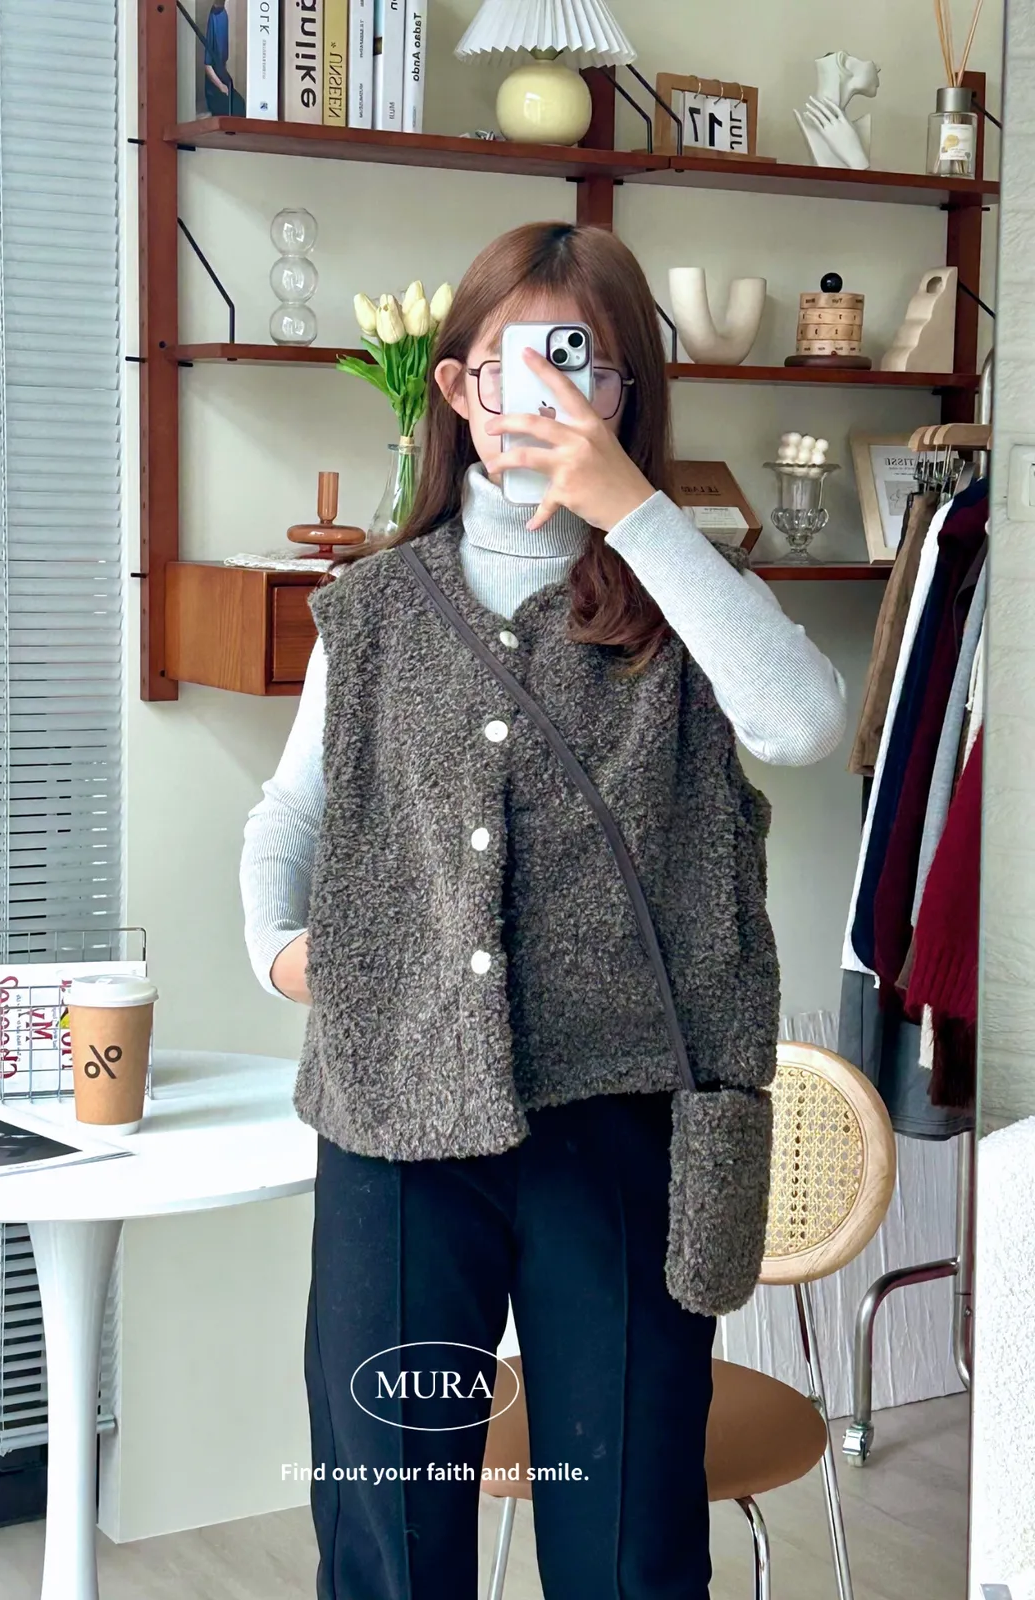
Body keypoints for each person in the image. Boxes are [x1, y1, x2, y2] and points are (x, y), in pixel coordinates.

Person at [239, 222, 847, 1600]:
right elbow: (289, 816)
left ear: (633, 392)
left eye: (592, 364)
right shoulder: (373, 610)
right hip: (396, 1115)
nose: (558, 391)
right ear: (461, 386)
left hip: (625, 1122)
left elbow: (806, 723)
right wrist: (288, 956)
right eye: (526, 360)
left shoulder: (683, 598)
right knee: (390, 1539)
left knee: (627, 1546)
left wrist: (636, 511)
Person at [202, 0, 242, 117]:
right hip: (214, 85)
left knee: (240, 106)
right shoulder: (213, 18)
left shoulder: (223, 14)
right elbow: (207, 65)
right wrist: (221, 86)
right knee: (236, 109)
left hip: (222, 76)